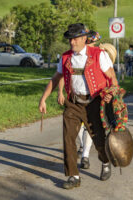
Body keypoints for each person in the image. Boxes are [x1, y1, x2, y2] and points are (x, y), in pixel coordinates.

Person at [39, 23, 118, 189]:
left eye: (75, 39)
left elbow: (111, 77)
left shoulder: (98, 54)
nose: (72, 42)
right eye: (70, 39)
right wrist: (43, 99)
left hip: (94, 102)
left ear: (83, 38)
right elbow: (55, 78)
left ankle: (105, 162)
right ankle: (73, 176)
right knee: (68, 138)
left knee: (98, 138)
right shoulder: (66, 57)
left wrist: (114, 94)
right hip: (73, 103)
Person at [57, 30, 102, 170]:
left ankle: (87, 156)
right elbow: (61, 75)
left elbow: (107, 76)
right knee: (72, 133)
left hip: (92, 100)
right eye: (92, 41)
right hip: (74, 100)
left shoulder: (99, 54)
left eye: (94, 42)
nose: (93, 44)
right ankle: (74, 172)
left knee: (93, 132)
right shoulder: (69, 56)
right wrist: (60, 92)